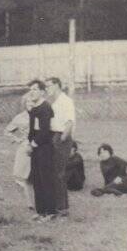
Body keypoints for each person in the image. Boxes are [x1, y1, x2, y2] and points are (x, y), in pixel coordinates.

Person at [45, 77, 76, 216]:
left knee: (59, 173)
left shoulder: (66, 101)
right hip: (53, 135)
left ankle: (62, 208)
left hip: (60, 137)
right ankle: (56, 205)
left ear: (57, 85)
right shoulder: (54, 102)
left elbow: (69, 122)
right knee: (53, 172)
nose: (47, 89)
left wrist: (61, 139)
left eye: (49, 86)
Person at [26, 80, 57, 221]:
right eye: (30, 89)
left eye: (35, 89)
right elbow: (33, 129)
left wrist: (32, 144)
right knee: (37, 179)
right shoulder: (34, 108)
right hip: (35, 148)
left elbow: (44, 132)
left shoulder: (45, 108)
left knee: (46, 179)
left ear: (42, 92)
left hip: (44, 148)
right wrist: (30, 143)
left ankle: (50, 212)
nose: (31, 92)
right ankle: (41, 211)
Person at [3, 93, 35, 211]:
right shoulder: (20, 118)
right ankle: (30, 203)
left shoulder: (42, 115)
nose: (31, 104)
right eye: (28, 102)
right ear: (24, 104)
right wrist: (17, 139)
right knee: (23, 176)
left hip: (40, 148)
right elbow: (7, 131)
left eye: (33, 101)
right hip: (25, 148)